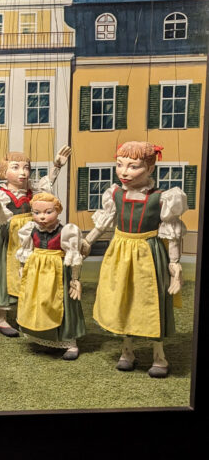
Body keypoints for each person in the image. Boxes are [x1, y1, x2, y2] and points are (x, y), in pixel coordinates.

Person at [81, 142, 186, 377]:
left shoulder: (161, 198)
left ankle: (159, 355)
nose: (124, 172)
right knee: (123, 299)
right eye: (120, 165)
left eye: (133, 166)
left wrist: (174, 264)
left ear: (150, 168)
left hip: (149, 252)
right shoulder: (115, 194)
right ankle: (127, 351)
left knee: (152, 301)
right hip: (120, 251)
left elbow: (172, 232)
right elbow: (104, 222)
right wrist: (88, 241)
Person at [0, 146, 71, 336]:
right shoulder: (0, 194)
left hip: (30, 236)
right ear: (4, 171)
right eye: (15, 167)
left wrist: (56, 166)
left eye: (26, 167)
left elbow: (46, 188)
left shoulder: (32, 190)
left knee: (30, 272)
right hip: (8, 237)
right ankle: (1, 318)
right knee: (4, 273)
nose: (22, 172)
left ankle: (26, 314)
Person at [15, 192, 85, 360]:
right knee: (38, 302)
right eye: (37, 212)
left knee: (61, 303)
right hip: (36, 271)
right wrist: (22, 268)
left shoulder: (66, 231)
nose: (42, 217)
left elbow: (74, 256)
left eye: (48, 212)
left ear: (58, 211)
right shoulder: (30, 230)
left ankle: (69, 341)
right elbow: (26, 251)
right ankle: (42, 337)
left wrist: (75, 279)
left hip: (58, 272)